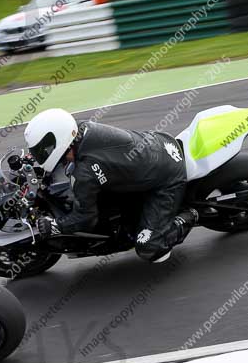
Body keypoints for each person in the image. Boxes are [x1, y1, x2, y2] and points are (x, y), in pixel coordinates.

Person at [23, 109, 199, 263]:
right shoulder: (83, 129)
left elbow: (85, 219)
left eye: (42, 150)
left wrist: (55, 226)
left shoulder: (86, 172)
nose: (40, 154)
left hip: (168, 178)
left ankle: (189, 215)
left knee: (150, 248)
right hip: (161, 143)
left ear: (58, 141)